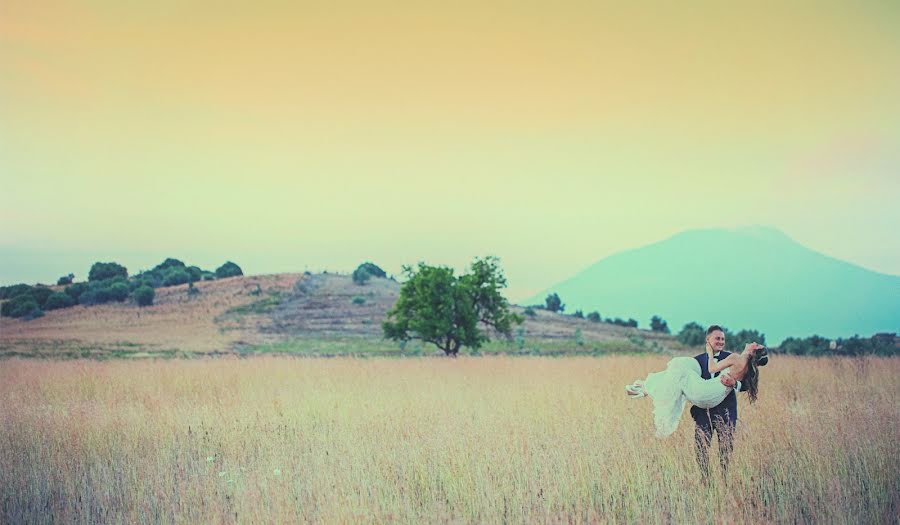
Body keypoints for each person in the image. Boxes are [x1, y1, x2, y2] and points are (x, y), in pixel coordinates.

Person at [625, 325, 765, 478]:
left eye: (723, 339)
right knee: (701, 448)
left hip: (725, 411)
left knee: (726, 449)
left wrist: (735, 384)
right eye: (717, 338)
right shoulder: (697, 360)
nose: (721, 341)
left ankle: (724, 480)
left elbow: (747, 384)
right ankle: (706, 480)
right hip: (703, 411)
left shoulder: (732, 357)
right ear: (708, 340)